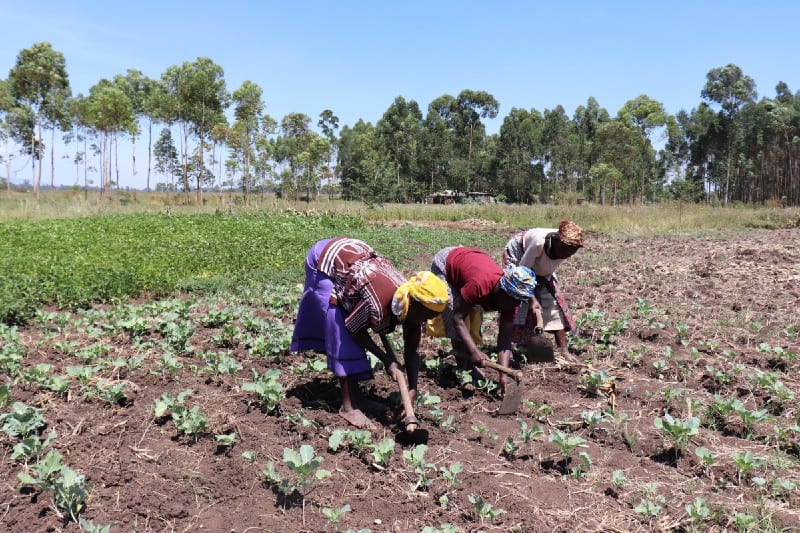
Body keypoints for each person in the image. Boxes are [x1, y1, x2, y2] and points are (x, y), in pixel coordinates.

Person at [291, 237, 448, 430]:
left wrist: (412, 389)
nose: (426, 321)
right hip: (325, 260)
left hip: (355, 260)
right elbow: (354, 329)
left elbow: (412, 350)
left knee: (351, 317)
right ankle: (349, 407)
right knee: (341, 326)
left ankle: (359, 398)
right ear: (415, 303)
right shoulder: (378, 304)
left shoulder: (413, 307)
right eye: (427, 315)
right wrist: (386, 359)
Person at [427, 245, 537, 392]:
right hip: (446, 263)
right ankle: (464, 367)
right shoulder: (480, 285)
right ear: (502, 290)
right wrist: (474, 351)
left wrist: (503, 374)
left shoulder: (512, 300)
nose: (514, 305)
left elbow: (504, 339)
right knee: (453, 309)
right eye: (513, 300)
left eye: (519, 301)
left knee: (472, 316)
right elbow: (457, 318)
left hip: (470, 264)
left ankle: (467, 363)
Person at [502, 220, 584, 359]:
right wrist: (532, 300)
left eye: (572, 253)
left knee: (553, 303)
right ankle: (512, 344)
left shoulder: (566, 247)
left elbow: (546, 270)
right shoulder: (539, 244)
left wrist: (539, 286)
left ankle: (564, 350)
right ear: (557, 242)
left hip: (541, 267)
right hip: (519, 256)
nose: (568, 255)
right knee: (518, 300)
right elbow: (522, 275)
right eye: (566, 251)